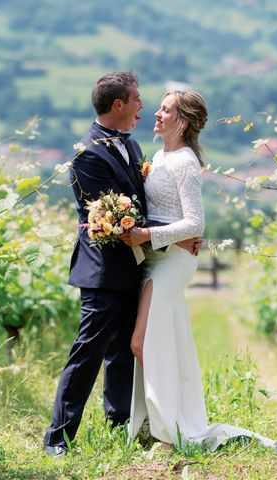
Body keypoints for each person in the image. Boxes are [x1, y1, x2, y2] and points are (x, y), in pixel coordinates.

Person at [120, 90, 277, 452]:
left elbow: (194, 222)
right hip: (156, 258)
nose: (156, 113)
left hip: (171, 264)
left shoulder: (185, 162)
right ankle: (157, 425)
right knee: (152, 341)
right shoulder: (159, 155)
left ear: (182, 122)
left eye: (165, 109)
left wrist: (146, 235)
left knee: (144, 341)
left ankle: (167, 436)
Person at [43, 72, 198, 458]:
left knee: (125, 354)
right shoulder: (87, 155)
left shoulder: (132, 147)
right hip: (102, 270)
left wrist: (167, 233)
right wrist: (174, 234)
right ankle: (57, 438)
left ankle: (120, 425)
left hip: (137, 267)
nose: (142, 106)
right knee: (88, 351)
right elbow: (108, 219)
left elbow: (141, 208)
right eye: (137, 100)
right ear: (118, 105)